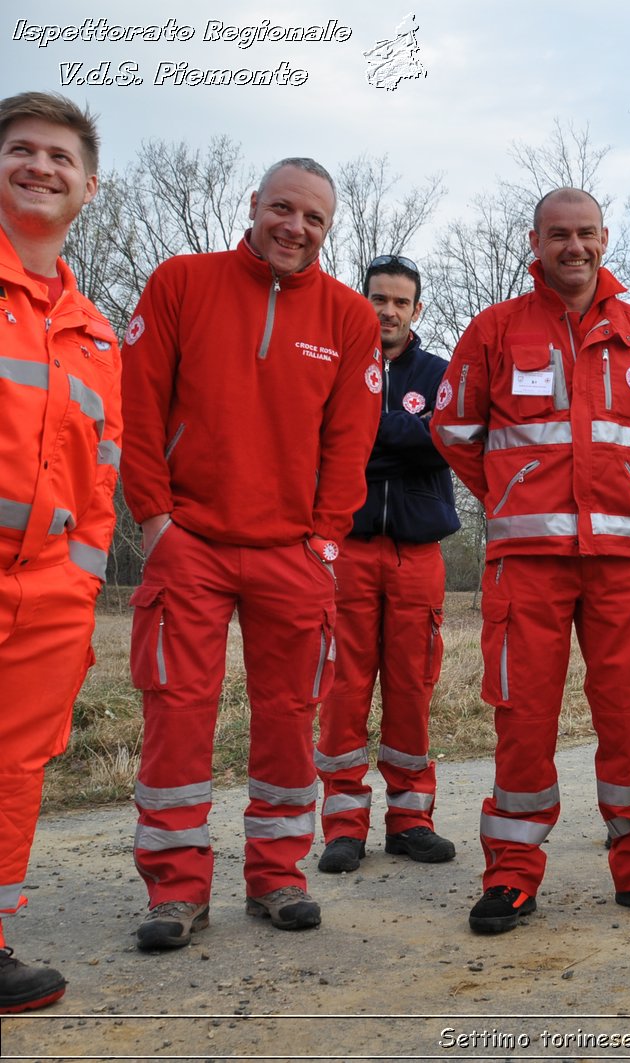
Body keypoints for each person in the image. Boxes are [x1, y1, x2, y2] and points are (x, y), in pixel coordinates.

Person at [121, 157, 381, 951]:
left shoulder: (349, 318)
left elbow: (349, 443)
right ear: (255, 205)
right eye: (282, 209)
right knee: (177, 714)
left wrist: (326, 541)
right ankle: (176, 888)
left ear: (327, 230)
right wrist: (157, 524)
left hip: (292, 555)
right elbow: (138, 408)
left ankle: (276, 874)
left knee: (288, 716)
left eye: (313, 220)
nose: (294, 229)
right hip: (189, 544)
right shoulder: (181, 282)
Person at [431, 187, 630, 932]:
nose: (572, 247)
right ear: (535, 240)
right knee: (523, 717)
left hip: (620, 561)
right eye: (558, 235)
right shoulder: (494, 329)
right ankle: (512, 874)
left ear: (605, 238)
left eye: (585, 233)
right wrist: (512, 494)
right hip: (528, 563)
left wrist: (618, 495)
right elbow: (454, 430)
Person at [0, 91, 118, 1014]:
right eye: (21, 150)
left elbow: (101, 472)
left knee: (15, 767)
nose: (41, 167)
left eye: (60, 158)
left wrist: (79, 579)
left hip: (49, 589)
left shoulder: (95, 333)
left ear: (88, 186)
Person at [315, 254, 460, 874]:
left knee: (412, 687)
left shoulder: (439, 373)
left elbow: (446, 440)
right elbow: (321, 439)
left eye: (401, 302)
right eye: (379, 298)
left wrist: (369, 434)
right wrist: (402, 433)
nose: (388, 311)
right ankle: (344, 826)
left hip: (417, 554)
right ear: (362, 300)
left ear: (417, 310)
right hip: (344, 549)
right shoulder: (333, 364)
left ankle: (411, 821)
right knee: (344, 688)